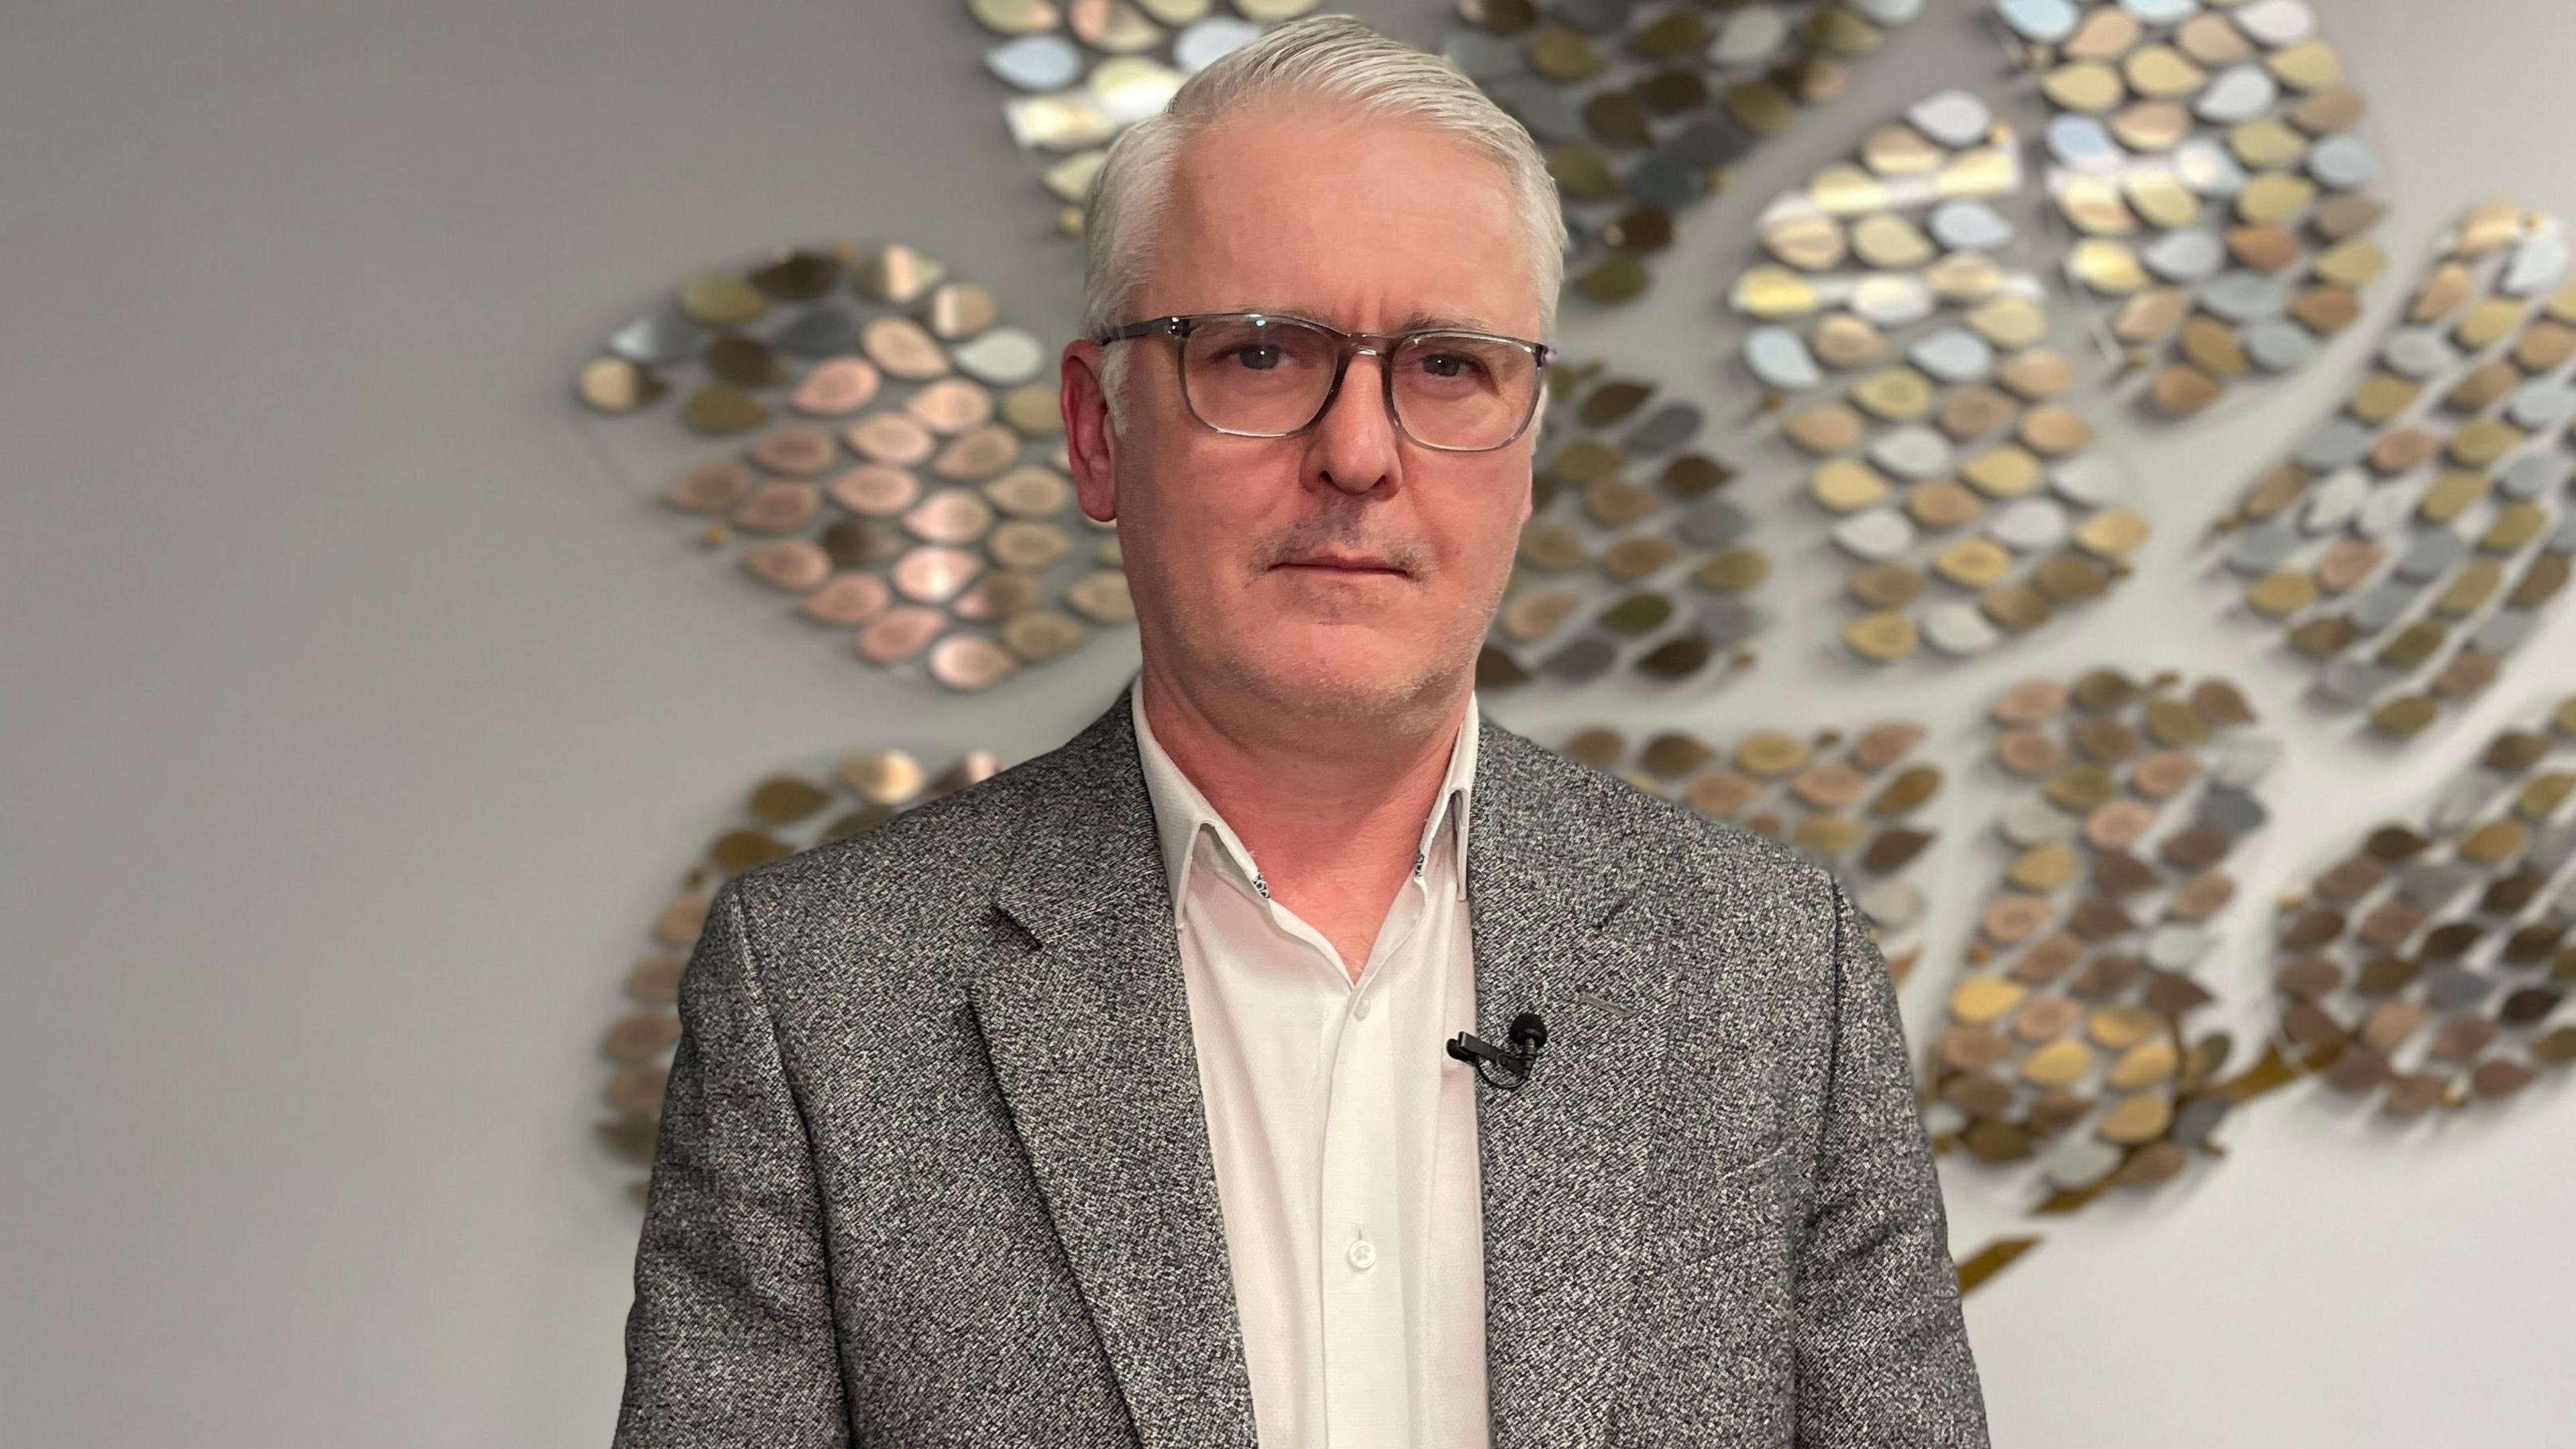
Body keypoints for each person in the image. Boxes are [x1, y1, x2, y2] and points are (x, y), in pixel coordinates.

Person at [614, 15, 1987, 1448]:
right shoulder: (824, 1001)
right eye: (1263, 355)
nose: (1359, 451)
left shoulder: (1778, 977)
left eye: (1450, 366)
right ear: (1098, 432)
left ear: (1530, 448)